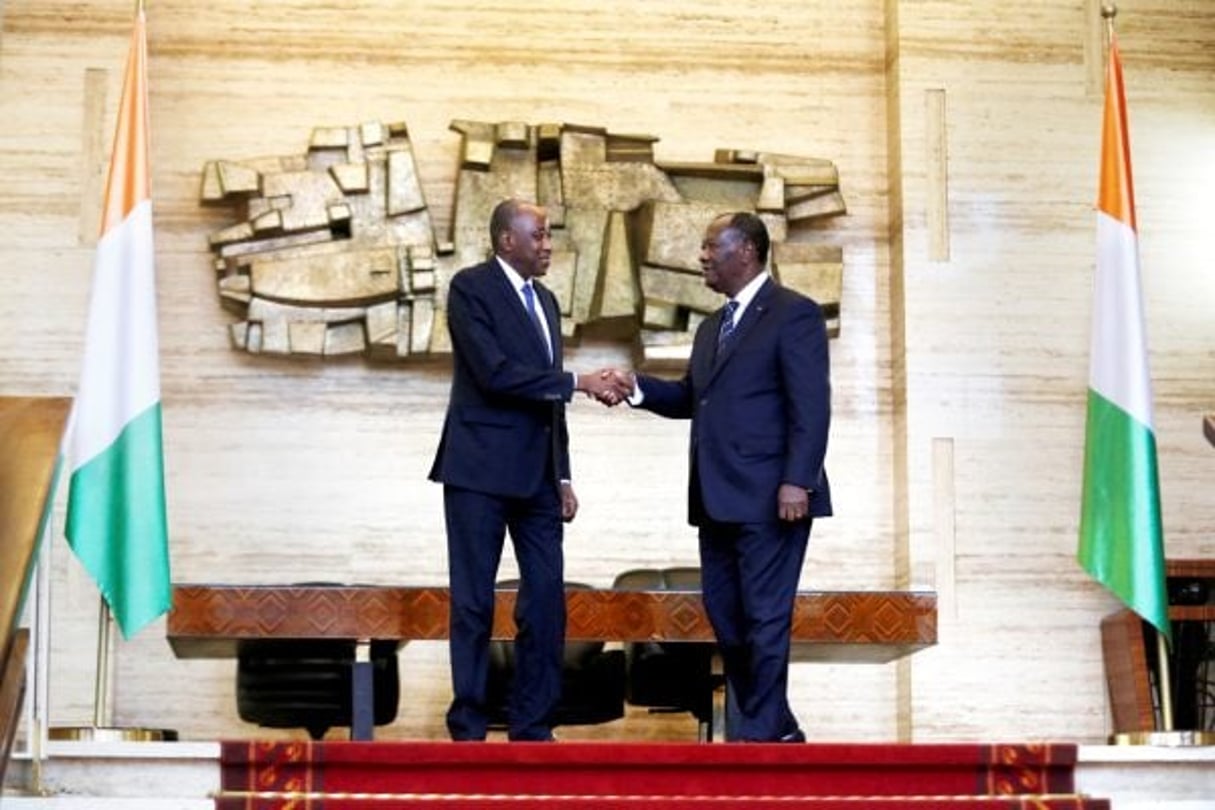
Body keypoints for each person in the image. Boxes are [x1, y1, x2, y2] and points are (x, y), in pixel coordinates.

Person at [608, 211, 832, 742]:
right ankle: (779, 728)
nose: (702, 255)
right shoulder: (713, 327)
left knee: (764, 619)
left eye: (712, 246)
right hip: (716, 499)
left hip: (774, 499)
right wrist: (636, 387)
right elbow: (693, 397)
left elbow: (812, 406)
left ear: (747, 252)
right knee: (729, 621)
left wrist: (798, 480)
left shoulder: (793, 314)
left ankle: (755, 744)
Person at [429, 199, 628, 741]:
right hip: (477, 472)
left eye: (547, 235)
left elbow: (547, 401)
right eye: (537, 235)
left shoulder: (546, 300)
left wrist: (562, 474)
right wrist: (580, 380)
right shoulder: (470, 288)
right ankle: (468, 724)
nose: (546, 245)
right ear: (505, 240)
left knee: (545, 601)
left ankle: (532, 724)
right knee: (473, 603)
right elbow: (495, 374)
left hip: (539, 478)